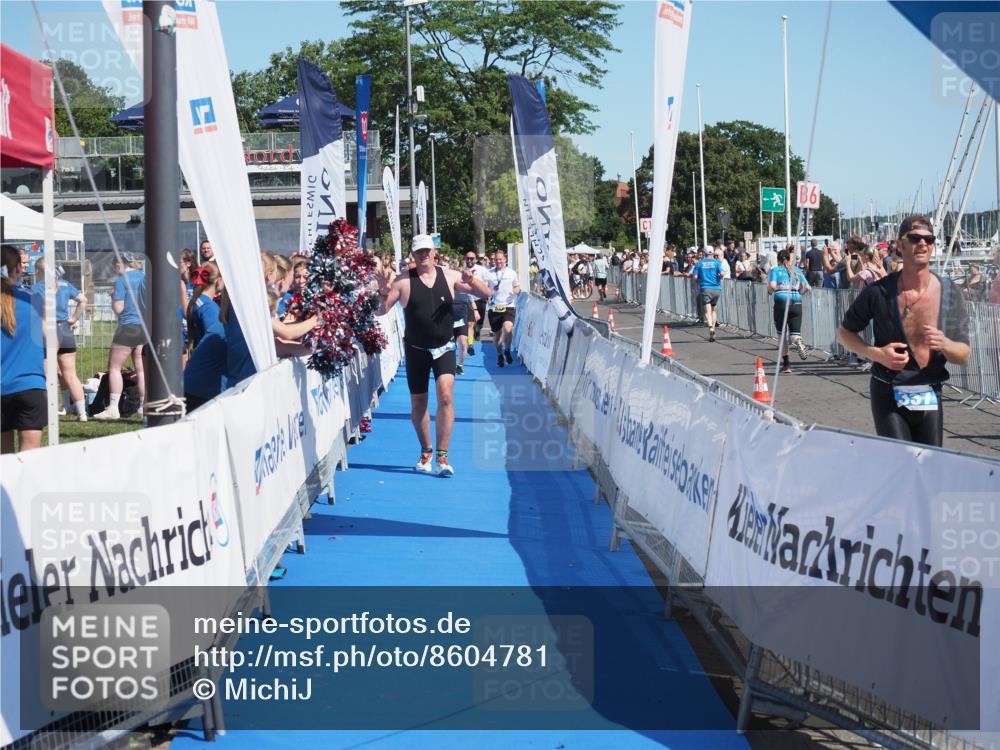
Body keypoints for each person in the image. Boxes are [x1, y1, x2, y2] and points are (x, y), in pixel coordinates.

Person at [837, 216, 971, 447]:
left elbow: (963, 354)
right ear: (900, 245)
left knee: (929, 466)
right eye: (915, 238)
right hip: (888, 390)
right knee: (901, 465)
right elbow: (844, 333)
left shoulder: (949, 291)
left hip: (930, 392)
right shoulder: (879, 291)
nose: (922, 244)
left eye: (929, 239)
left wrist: (946, 344)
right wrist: (877, 354)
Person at [376, 234, 493, 476]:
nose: (424, 255)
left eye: (427, 250)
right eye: (419, 251)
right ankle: (426, 450)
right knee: (419, 402)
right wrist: (382, 291)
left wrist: (472, 280)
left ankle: (443, 455)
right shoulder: (403, 281)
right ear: (413, 254)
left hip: (444, 347)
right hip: (416, 349)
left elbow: (486, 294)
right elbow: (381, 311)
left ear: (434, 252)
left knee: (446, 396)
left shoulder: (449, 275)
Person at [1, 245, 46, 453]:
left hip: (3, 386)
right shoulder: (33, 300)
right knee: (31, 460)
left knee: (4, 459)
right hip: (31, 385)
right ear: (19, 268)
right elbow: (49, 336)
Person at [31, 259, 88, 420]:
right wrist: (74, 319)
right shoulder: (64, 284)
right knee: (71, 374)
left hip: (48, 329)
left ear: (39, 271)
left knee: (47, 374)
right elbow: (83, 300)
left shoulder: (37, 288)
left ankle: (48, 410)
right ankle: (82, 413)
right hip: (65, 329)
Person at [94, 252, 146, 420]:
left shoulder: (122, 280)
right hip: (144, 327)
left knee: (115, 367)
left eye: (114, 266)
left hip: (127, 326)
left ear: (119, 264)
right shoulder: (145, 277)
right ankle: (143, 407)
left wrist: (112, 298)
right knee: (140, 368)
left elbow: (118, 309)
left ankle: (113, 408)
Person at [183, 262, 227, 413]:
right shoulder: (210, 308)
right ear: (218, 280)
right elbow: (213, 340)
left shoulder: (197, 301)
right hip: (207, 376)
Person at [768, 249, 811, 373]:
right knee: (794, 335)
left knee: (782, 336)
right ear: (789, 259)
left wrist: (770, 292)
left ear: (778, 260)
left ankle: (786, 365)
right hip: (796, 302)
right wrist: (799, 294)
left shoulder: (775, 270)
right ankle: (798, 341)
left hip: (781, 302)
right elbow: (807, 287)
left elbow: (772, 285)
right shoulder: (797, 270)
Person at [486, 248, 521, 367]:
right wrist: (488, 293)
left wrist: (516, 291)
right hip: (494, 307)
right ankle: (500, 354)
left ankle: (507, 350)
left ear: (505, 259)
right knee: (497, 335)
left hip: (508, 305)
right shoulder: (489, 273)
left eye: (500, 259)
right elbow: (484, 289)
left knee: (508, 328)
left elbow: (517, 287)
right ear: (494, 261)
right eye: (496, 259)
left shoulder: (511, 273)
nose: (498, 261)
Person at [689, 247, 726, 342]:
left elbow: (695, 277)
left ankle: (710, 327)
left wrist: (699, 278)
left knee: (707, 311)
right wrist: (719, 276)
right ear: (712, 253)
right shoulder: (717, 262)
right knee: (713, 309)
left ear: (704, 253)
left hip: (705, 288)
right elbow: (722, 273)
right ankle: (713, 329)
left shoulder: (700, 263)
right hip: (716, 289)